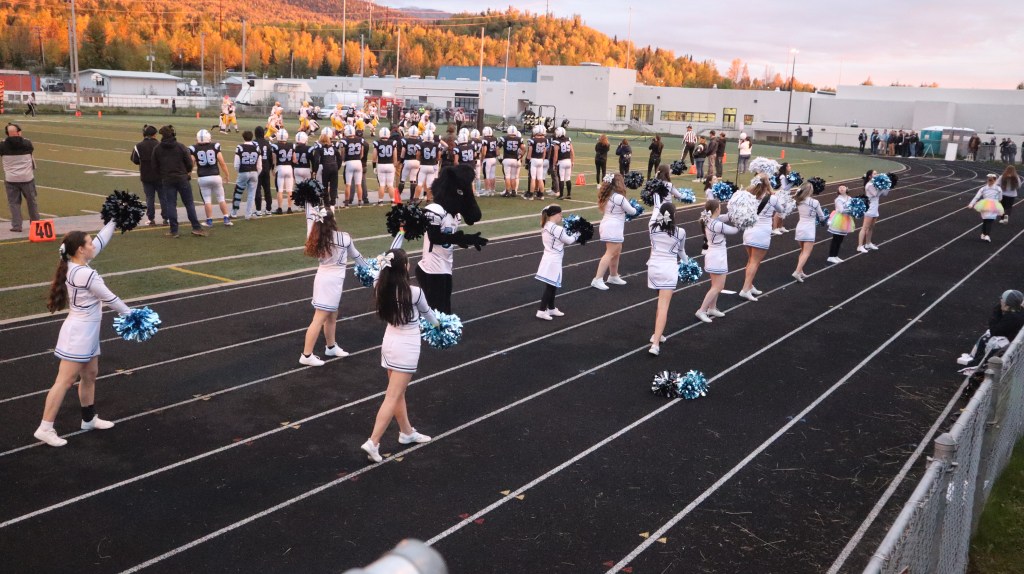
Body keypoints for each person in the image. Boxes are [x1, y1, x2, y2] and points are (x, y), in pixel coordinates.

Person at [34, 222, 131, 447]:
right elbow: (109, 298)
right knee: (65, 381)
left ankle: (88, 419)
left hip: (88, 332)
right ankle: (45, 428)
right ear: (80, 249)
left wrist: (113, 221)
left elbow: (100, 241)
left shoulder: (73, 264)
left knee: (90, 375)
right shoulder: (86, 274)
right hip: (79, 334)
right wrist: (132, 315)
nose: (93, 246)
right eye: (89, 243)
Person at [360, 248, 438, 463]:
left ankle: (406, 432)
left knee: (398, 393)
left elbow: (378, 273)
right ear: (404, 267)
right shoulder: (414, 292)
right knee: (393, 395)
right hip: (406, 348)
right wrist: (442, 326)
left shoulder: (380, 286)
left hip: (389, 344)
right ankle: (373, 442)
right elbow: (430, 317)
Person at [300, 209, 367, 366]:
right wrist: (371, 269)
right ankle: (306, 355)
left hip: (322, 278)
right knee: (319, 318)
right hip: (332, 282)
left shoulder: (315, 236)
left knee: (331, 315)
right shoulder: (344, 237)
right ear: (333, 221)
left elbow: (309, 218)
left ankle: (330, 347)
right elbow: (356, 256)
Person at [646, 202, 687, 355]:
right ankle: (655, 344)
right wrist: (688, 264)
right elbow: (681, 252)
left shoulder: (652, 227)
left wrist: (657, 198)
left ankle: (658, 334)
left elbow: (655, 211)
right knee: (663, 306)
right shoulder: (680, 232)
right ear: (674, 215)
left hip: (654, 269)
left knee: (660, 303)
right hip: (668, 270)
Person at [151, 125, 205, 237]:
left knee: (171, 204)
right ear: (173, 133)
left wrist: (163, 175)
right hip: (182, 178)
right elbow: (189, 163)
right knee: (189, 203)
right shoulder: (181, 146)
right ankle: (196, 227)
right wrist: (185, 172)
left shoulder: (157, 148)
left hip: (167, 179)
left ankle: (174, 231)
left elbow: (154, 166)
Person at [956, 290, 1024, 373]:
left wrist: (997, 311)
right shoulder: (1019, 312)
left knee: (987, 339)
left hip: (1009, 344)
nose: (1000, 301)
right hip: (1014, 341)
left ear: (1007, 304)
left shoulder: (1012, 317)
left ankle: (979, 363)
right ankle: (975, 357)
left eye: (1002, 300)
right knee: (988, 336)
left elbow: (995, 331)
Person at [591, 173, 638, 290]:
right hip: (613, 227)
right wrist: (636, 207)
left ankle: (613, 276)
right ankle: (597, 279)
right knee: (610, 253)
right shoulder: (619, 198)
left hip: (609, 224)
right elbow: (632, 211)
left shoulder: (608, 195)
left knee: (616, 251)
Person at [739, 174, 782, 301]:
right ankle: (745, 289)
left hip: (749, 231)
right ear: (768, 183)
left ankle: (749, 286)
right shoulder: (772, 198)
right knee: (754, 262)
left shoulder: (749, 195)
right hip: (761, 232)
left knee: (750, 261)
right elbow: (781, 210)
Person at [695, 199, 738, 323]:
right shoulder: (716, 224)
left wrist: (737, 211)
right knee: (718, 286)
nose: (721, 209)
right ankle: (701, 310)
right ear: (717, 209)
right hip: (717, 257)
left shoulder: (710, 220)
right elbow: (734, 230)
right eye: (720, 207)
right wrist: (743, 222)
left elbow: (727, 217)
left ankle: (712, 308)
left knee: (715, 285)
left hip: (714, 255)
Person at [535, 204, 579, 320]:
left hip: (548, 257)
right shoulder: (556, 228)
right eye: (560, 213)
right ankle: (541, 310)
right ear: (554, 214)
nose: (561, 216)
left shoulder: (545, 225)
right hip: (554, 260)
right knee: (550, 286)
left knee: (552, 285)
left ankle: (551, 308)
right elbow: (568, 240)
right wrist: (578, 233)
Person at [1, 122, 40, 234]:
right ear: (19, 132)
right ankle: (36, 224)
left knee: (14, 203)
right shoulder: (27, 143)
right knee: (31, 202)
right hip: (27, 178)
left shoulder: (2, 145)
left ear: (7, 133)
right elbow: (30, 149)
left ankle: (17, 226)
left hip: (11, 179)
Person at [189, 129, 233, 228]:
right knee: (221, 198)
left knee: (207, 200)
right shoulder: (215, 146)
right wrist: (227, 174)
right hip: (215, 176)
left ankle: (209, 221)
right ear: (208, 137)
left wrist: (189, 174)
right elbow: (222, 162)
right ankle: (226, 218)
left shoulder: (194, 148)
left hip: (203, 177)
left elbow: (191, 163)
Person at [130, 125, 164, 226]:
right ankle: (166, 218)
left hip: (146, 175)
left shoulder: (138, 146)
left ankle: (151, 219)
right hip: (160, 175)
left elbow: (135, 160)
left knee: (149, 198)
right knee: (163, 198)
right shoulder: (160, 145)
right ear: (155, 134)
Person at [792, 183, 825, 281]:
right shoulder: (815, 202)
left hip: (799, 227)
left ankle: (800, 271)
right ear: (810, 190)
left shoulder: (798, 201)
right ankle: (797, 272)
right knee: (806, 253)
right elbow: (821, 216)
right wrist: (823, 221)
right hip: (809, 229)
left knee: (803, 251)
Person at [231, 130, 262, 220]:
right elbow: (259, 165)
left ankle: (234, 213)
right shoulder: (257, 148)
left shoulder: (240, 147)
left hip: (243, 172)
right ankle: (248, 214)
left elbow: (236, 164)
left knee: (238, 192)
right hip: (254, 172)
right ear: (252, 137)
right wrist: (256, 173)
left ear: (243, 137)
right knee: (251, 194)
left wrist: (240, 172)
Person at [967, 174, 1004, 243]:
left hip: (984, 205)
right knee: (990, 220)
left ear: (987, 180)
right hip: (994, 205)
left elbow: (977, 197)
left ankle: (983, 234)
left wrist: (971, 204)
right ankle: (987, 235)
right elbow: (1000, 198)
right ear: (995, 180)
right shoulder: (998, 188)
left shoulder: (983, 188)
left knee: (985, 219)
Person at [857, 169, 887, 252]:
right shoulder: (869, 185)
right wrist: (882, 186)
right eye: (875, 174)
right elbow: (875, 194)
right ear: (870, 176)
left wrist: (887, 186)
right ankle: (859, 246)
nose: (877, 175)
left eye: (877, 173)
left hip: (875, 208)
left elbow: (885, 194)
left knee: (871, 227)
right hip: (869, 208)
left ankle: (868, 243)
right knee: (865, 227)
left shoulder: (875, 184)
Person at [825, 185, 854, 264]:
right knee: (836, 238)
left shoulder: (850, 198)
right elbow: (841, 210)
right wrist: (852, 210)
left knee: (840, 238)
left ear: (847, 189)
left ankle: (835, 255)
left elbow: (852, 207)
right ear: (838, 190)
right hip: (839, 219)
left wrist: (854, 210)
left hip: (846, 219)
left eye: (843, 187)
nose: (841, 188)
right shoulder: (838, 199)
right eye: (840, 187)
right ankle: (831, 256)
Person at [252, 126, 275, 216]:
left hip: (257, 169)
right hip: (266, 168)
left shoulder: (254, 143)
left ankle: (258, 210)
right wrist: (271, 168)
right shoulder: (268, 143)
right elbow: (271, 157)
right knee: (267, 189)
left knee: (257, 190)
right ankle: (268, 209)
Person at [373, 127, 399, 205]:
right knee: (390, 185)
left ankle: (380, 201)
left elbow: (374, 157)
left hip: (381, 165)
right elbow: (395, 155)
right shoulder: (393, 142)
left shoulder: (377, 143)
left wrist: (374, 166)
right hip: (390, 164)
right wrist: (394, 165)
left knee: (382, 184)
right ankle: (393, 200)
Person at [524, 125, 550, 200]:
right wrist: (542, 159)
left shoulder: (532, 140)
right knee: (540, 178)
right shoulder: (545, 140)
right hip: (541, 160)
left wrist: (527, 160)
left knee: (533, 178)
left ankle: (531, 195)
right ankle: (541, 195)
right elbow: (544, 151)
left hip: (534, 159)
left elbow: (530, 151)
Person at [398, 126, 422, 202]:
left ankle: (397, 198)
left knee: (402, 180)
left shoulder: (406, 140)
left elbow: (403, 152)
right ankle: (411, 198)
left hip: (408, 161)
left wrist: (401, 160)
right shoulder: (420, 140)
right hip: (417, 162)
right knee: (413, 180)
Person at [499, 126, 522, 197]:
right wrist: (520, 156)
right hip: (515, 159)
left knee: (507, 176)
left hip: (507, 159)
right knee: (513, 177)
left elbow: (497, 148)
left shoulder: (504, 138)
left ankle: (507, 191)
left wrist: (499, 157)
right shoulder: (519, 139)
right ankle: (514, 191)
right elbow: (524, 149)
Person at [553, 127, 575, 199]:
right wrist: (572, 161)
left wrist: (554, 164)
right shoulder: (568, 139)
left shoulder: (557, 142)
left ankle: (561, 195)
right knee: (568, 178)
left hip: (561, 162)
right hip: (568, 161)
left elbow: (555, 155)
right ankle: (569, 194)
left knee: (561, 178)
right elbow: (572, 152)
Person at [480, 126, 499, 197]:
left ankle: (487, 190)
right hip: (494, 158)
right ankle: (492, 190)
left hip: (487, 159)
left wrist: (482, 159)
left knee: (486, 175)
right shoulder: (495, 138)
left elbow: (484, 152)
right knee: (492, 175)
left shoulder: (485, 140)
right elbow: (497, 150)